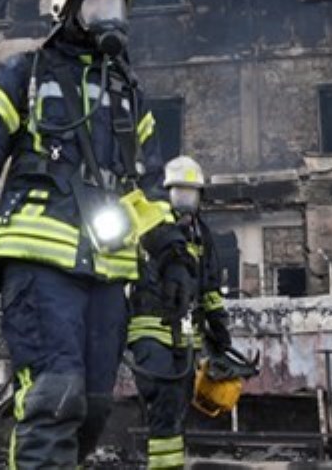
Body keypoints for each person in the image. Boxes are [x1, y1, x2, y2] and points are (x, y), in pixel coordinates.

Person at [0, 0, 197, 469]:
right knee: (54, 397)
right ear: (67, 5)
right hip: (39, 264)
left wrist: (172, 254)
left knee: (92, 410)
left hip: (108, 272)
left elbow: (147, 191)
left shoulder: (129, 97)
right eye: (99, 6)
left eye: (118, 8)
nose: (111, 19)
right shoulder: (24, 75)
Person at [126, 156, 231, 470]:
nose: (185, 203)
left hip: (187, 336)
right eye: (179, 194)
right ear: (165, 194)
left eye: (191, 195)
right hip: (150, 326)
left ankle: (166, 462)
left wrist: (220, 331)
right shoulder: (150, 227)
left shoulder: (203, 236)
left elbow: (210, 287)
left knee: (178, 406)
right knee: (164, 395)